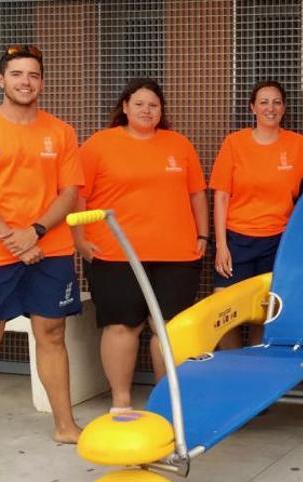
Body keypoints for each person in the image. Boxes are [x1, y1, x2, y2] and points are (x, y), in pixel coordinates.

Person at [0, 44, 84, 459]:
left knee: (51, 333)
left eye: (33, 75)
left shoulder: (62, 132)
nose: (25, 81)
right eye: (17, 74)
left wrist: (34, 232)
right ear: (0, 80)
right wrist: (11, 238)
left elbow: (69, 191)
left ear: (42, 82)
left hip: (48, 248)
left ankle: (65, 426)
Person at [74, 78, 208, 412]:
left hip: (176, 253)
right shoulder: (99, 144)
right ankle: (121, 401)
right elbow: (79, 195)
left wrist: (203, 236)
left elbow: (196, 194)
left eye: (154, 105)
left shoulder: (178, 144)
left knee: (168, 329)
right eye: (140, 104)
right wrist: (80, 240)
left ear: (161, 111)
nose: (147, 110)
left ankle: (167, 403)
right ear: (125, 107)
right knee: (122, 325)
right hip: (115, 252)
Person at [210, 80, 303, 348]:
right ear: (252, 108)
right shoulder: (235, 143)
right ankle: (232, 369)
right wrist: (221, 245)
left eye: (276, 102)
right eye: (264, 102)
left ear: (284, 108)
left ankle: (255, 372)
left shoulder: (296, 144)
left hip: (277, 241)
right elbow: (221, 196)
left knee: (264, 313)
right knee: (223, 311)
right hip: (237, 240)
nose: (271, 108)